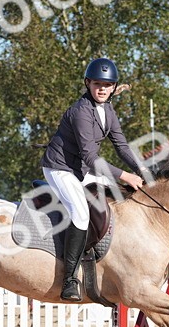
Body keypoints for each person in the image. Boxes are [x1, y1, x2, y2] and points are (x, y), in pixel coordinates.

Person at [41, 57, 145, 301]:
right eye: (98, 84)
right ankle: (69, 280)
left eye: (107, 85)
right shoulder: (81, 112)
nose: (102, 89)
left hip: (81, 168)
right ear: (88, 83)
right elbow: (90, 156)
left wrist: (143, 170)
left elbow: (121, 146)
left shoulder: (108, 110)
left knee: (116, 195)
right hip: (60, 168)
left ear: (113, 87)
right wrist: (125, 175)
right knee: (80, 212)